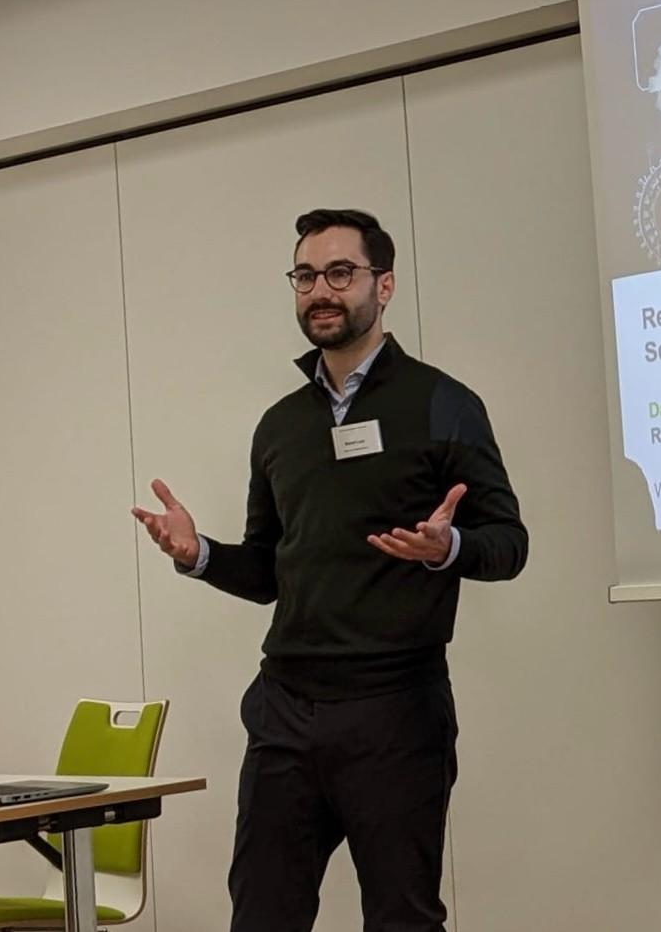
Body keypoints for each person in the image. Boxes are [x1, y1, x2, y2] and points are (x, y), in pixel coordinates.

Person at [132, 208, 528, 932]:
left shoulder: (442, 403)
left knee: (402, 918)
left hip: (394, 709)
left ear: (384, 286)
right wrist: (200, 555)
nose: (321, 290)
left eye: (340, 273)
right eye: (306, 275)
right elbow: (267, 571)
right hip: (285, 708)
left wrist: (447, 548)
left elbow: (509, 543)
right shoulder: (280, 425)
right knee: (261, 916)